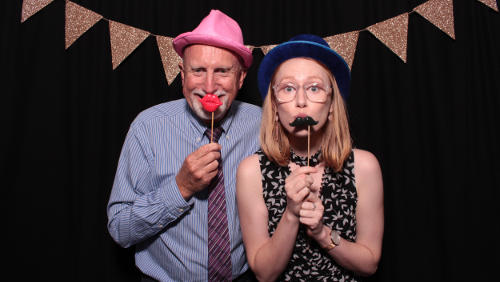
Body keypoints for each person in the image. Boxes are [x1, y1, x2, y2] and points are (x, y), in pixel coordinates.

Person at [107, 10, 261, 281]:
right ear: (182, 73)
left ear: (241, 77)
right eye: (198, 70)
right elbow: (120, 230)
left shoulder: (261, 124)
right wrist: (181, 187)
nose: (209, 86)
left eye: (222, 71)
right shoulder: (148, 127)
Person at [236, 34, 384, 281]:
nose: (301, 101)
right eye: (288, 88)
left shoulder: (364, 167)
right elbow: (264, 273)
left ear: (332, 105)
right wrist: (292, 214)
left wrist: (321, 232)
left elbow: (369, 265)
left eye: (314, 88)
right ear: (274, 106)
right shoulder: (251, 171)